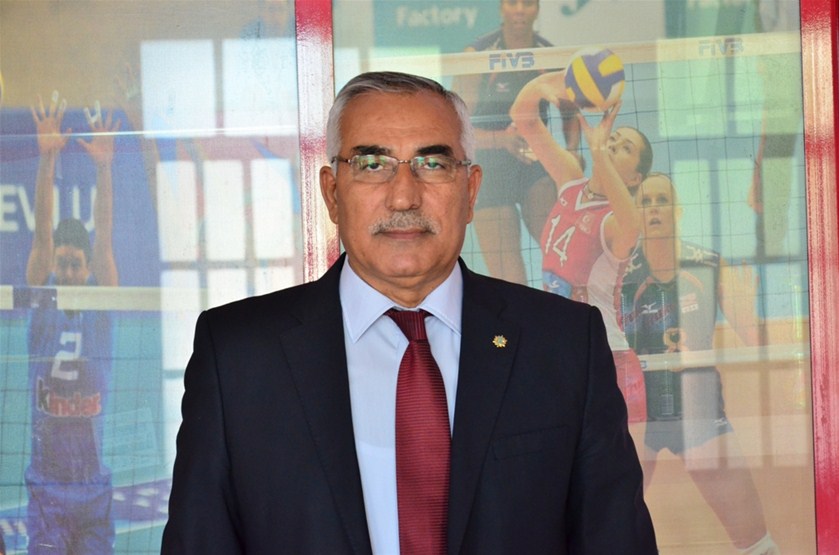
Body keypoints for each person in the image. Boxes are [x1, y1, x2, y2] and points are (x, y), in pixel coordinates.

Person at [162, 71, 656, 554]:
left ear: (471, 191)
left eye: (433, 164)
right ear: (332, 193)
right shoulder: (237, 357)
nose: (403, 196)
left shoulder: (564, 344)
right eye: (372, 164)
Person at [621, 173, 780, 555]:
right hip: (637, 414)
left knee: (755, 538)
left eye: (662, 200)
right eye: (645, 201)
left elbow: (756, 342)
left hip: (698, 408)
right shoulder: (619, 273)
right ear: (635, 213)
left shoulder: (708, 264)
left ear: (677, 210)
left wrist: (747, 312)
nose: (654, 208)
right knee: (608, 530)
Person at [510, 70, 653, 423]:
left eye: (625, 148)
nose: (613, 144)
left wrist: (599, 150)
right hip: (560, 361)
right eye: (613, 138)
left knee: (619, 462)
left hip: (609, 363)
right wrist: (551, 81)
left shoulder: (616, 222)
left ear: (635, 178)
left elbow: (632, 224)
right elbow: (523, 118)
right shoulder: (570, 181)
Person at [25, 92, 120, 554]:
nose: (65, 271)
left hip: (92, 488)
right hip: (47, 489)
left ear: (86, 269)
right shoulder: (41, 302)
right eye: (60, 263)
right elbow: (42, 239)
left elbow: (104, 243)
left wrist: (104, 169)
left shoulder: (100, 307)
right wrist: (48, 160)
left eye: (73, 264)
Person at [454, 0, 581, 285]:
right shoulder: (477, 56)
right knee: (508, 276)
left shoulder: (549, 55)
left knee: (562, 254)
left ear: (538, 9)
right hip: (489, 169)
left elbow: (570, 111)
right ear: (501, 7)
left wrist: (573, 151)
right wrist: (503, 139)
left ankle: (566, 313)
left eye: (528, 3)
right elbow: (455, 129)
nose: (520, 10)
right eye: (513, 2)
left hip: (534, 162)